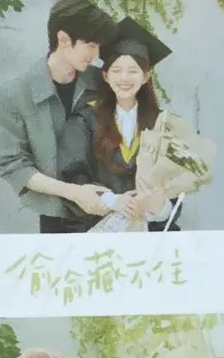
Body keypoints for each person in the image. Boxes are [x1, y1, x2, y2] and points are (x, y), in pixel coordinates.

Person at [0, 0, 118, 232]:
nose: (96, 54)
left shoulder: (102, 82)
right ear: (63, 39)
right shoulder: (14, 95)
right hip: (56, 216)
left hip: (110, 209)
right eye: (91, 44)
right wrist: (74, 193)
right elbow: (14, 165)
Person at [58, 16, 183, 231]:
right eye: (117, 70)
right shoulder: (83, 121)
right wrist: (112, 201)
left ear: (146, 77)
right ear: (106, 76)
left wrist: (159, 206)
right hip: (98, 234)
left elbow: (176, 190)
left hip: (152, 236)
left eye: (133, 71)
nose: (124, 78)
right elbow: (71, 179)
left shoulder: (164, 124)